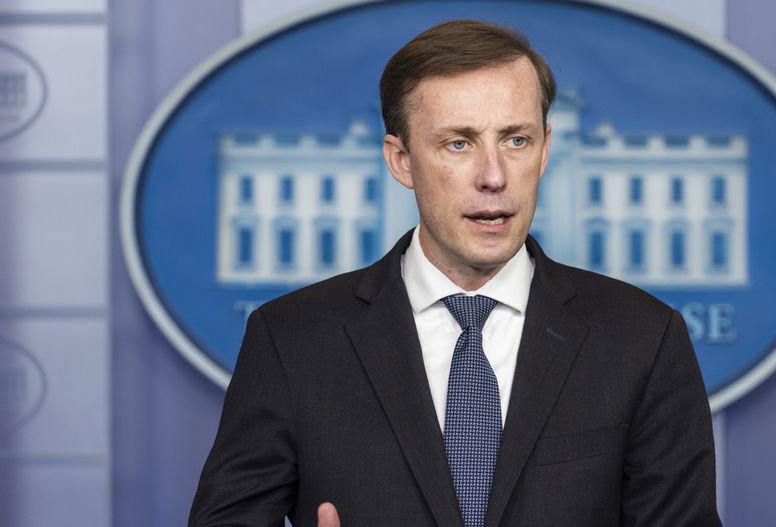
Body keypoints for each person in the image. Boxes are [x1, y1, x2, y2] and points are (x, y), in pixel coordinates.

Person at [189, 19, 721, 527]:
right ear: (401, 161)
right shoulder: (290, 340)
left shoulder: (644, 339)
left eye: (516, 140)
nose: (493, 176)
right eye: (458, 143)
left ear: (545, 150)